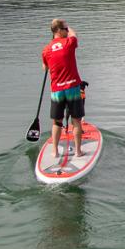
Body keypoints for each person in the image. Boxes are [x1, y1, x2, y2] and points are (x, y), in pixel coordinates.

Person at [42, 19, 86, 158]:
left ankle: (55, 151)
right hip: (72, 87)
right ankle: (78, 151)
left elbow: (45, 68)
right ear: (59, 30)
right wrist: (70, 28)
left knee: (57, 122)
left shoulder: (46, 49)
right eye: (65, 29)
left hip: (57, 91)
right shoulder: (69, 43)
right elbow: (75, 34)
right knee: (76, 121)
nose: (67, 31)